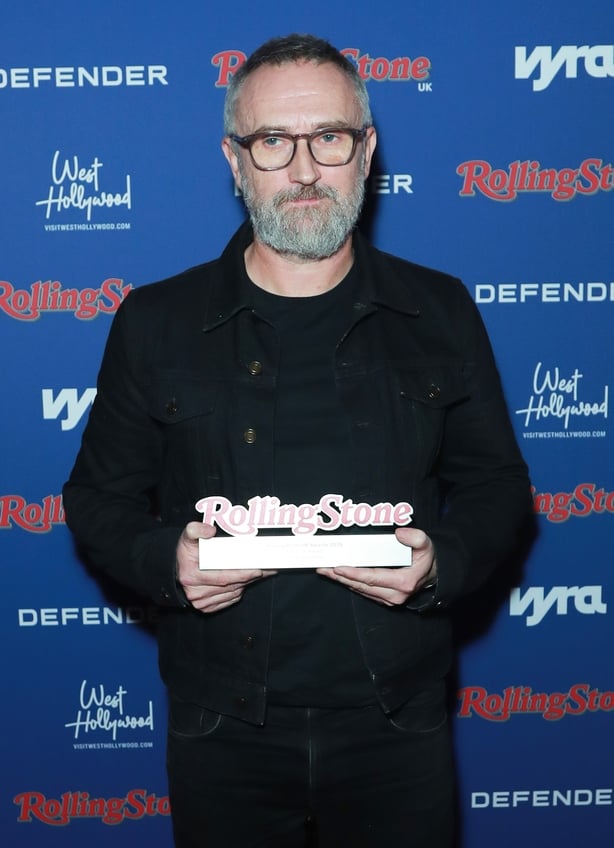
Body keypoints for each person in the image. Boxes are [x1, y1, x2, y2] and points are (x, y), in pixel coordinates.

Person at [63, 33, 532, 848]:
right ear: (235, 160)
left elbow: (496, 486)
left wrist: (441, 564)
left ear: (367, 151)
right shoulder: (156, 321)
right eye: (274, 140)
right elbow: (97, 498)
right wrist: (166, 562)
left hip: (398, 722)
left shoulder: (441, 310)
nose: (306, 168)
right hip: (222, 726)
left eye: (330, 137)